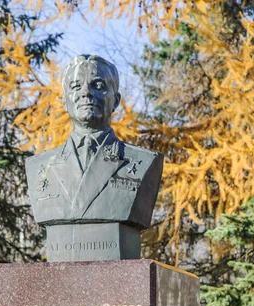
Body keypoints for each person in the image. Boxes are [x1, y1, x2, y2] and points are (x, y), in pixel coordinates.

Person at [25, 54, 163, 231]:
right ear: (64, 102)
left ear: (116, 100)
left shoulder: (143, 162)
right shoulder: (38, 166)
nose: (86, 93)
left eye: (98, 86)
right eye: (76, 86)